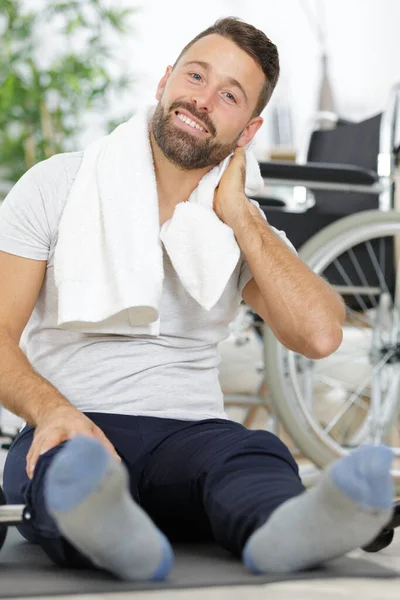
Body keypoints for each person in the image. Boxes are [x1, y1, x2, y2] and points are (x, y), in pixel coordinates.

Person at [0, 17, 394, 581]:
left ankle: (287, 528)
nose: (202, 99)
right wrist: (52, 411)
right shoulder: (55, 185)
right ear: (165, 81)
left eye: (229, 95)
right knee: (70, 468)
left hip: (191, 435)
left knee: (252, 455)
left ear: (249, 130)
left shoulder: (237, 223)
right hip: (73, 419)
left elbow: (320, 334)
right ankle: (111, 529)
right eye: (195, 76)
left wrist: (241, 217)